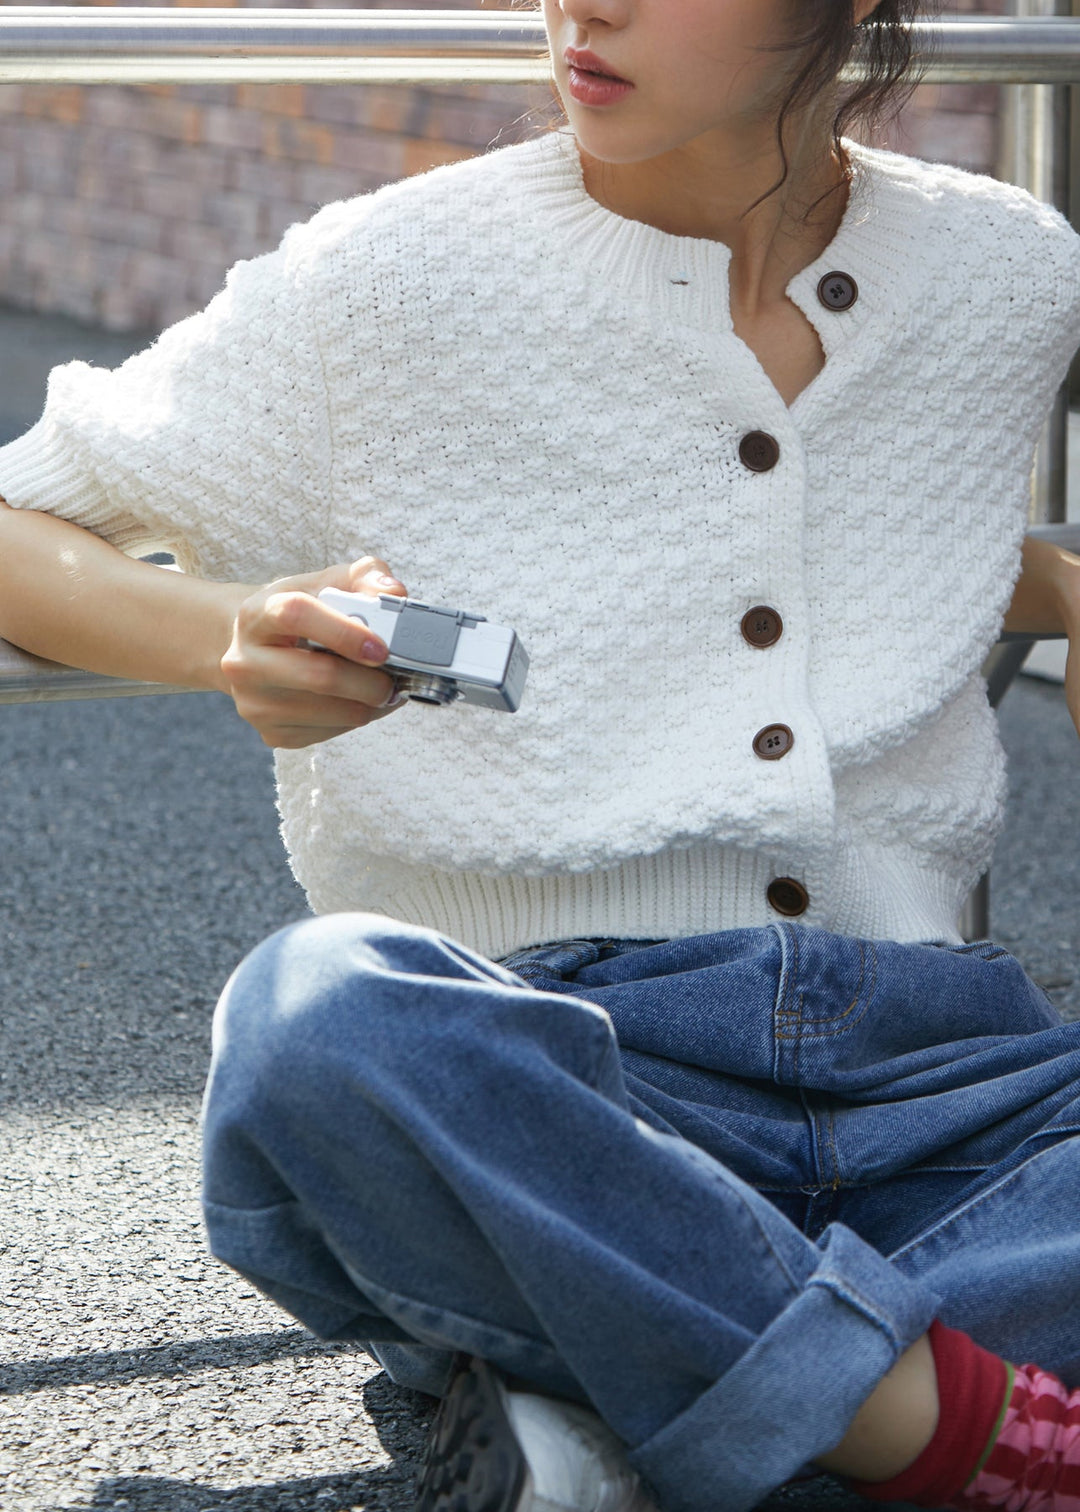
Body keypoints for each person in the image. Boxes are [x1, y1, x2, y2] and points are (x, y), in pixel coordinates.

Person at [3, 0, 1080, 1507]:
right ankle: (947, 1426)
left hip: (949, 1083)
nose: (586, 3)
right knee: (321, 1022)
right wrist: (226, 627)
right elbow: (21, 515)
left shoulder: (1009, 270)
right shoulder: (389, 280)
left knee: (546, 1249)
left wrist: (1052, 585)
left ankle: (626, 1397)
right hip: (554, 1077)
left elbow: (847, 513)